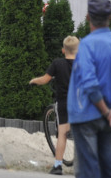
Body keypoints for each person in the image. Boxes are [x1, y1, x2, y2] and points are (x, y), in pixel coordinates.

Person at [67, 0, 111, 178]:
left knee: (88, 171)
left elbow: (90, 84)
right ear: (110, 17)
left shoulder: (87, 45)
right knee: (110, 169)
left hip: (86, 115)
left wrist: (105, 111)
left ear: (88, 16)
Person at [30, 35, 80, 174]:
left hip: (64, 103)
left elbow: (45, 79)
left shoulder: (57, 63)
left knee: (62, 134)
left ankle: (58, 166)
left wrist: (33, 81)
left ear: (63, 50)